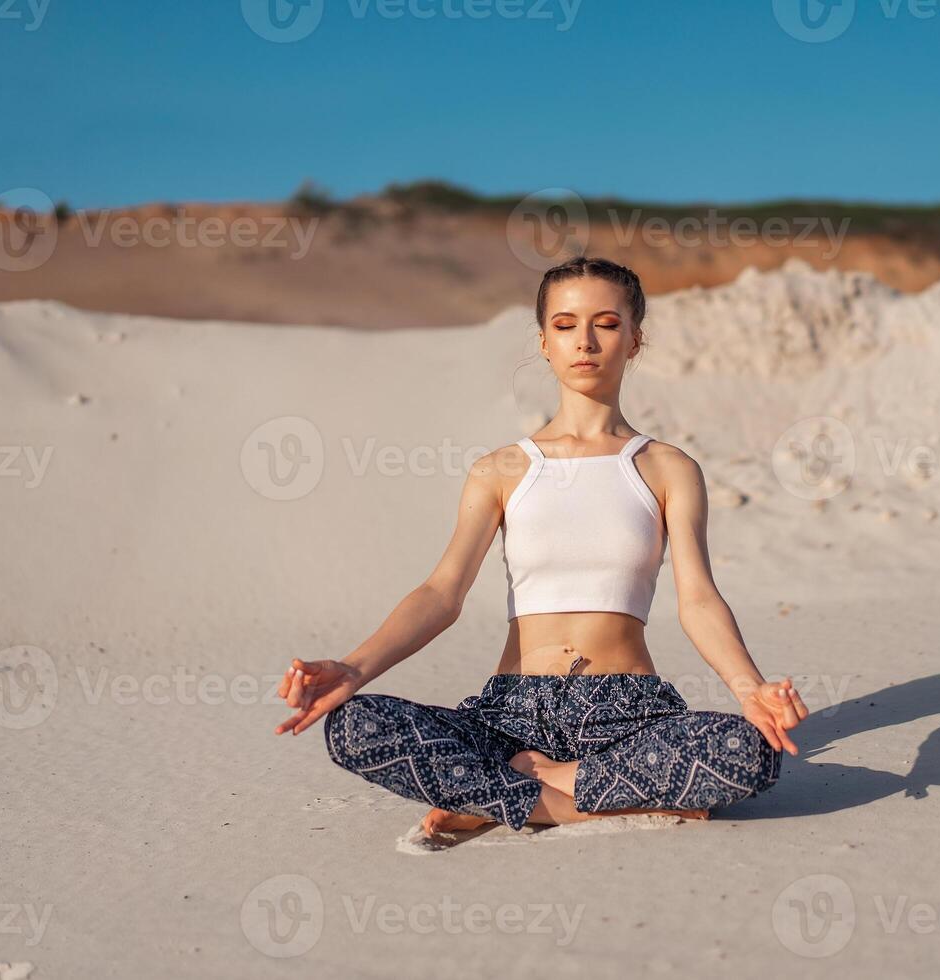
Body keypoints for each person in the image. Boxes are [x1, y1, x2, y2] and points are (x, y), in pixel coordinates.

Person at [273, 256, 809, 837]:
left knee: (748, 750)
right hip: (510, 714)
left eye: (606, 323)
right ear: (544, 342)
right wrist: (354, 667)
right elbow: (441, 592)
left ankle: (509, 794)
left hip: (628, 714)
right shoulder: (500, 469)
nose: (585, 340)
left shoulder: (668, 468)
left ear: (634, 339)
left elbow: (699, 599)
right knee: (355, 726)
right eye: (564, 324)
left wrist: (750, 689)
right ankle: (581, 798)